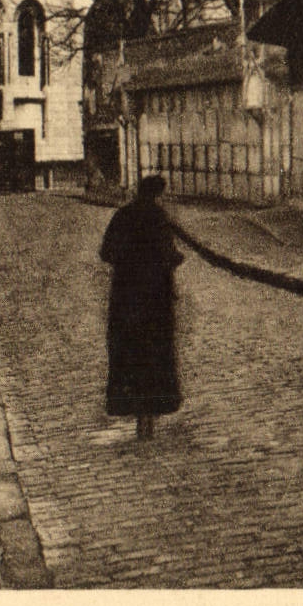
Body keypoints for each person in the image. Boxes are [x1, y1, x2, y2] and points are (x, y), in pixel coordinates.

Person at [100, 174, 183, 441]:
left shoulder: (123, 215)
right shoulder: (158, 218)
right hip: (155, 300)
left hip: (126, 298)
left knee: (130, 352)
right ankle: (149, 417)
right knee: (154, 355)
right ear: (157, 194)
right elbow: (168, 254)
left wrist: (128, 262)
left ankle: (138, 416)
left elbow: (106, 252)